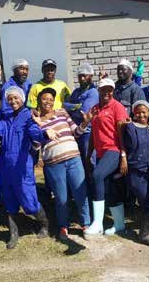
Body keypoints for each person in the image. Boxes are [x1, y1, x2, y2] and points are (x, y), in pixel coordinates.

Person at [0, 87, 57, 248]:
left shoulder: (28, 116)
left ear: (22, 98)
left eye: (16, 98)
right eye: (10, 99)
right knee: (9, 199)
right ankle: (13, 234)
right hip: (5, 166)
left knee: (29, 199)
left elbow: (35, 133)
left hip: (22, 165)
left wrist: (45, 134)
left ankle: (45, 224)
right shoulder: (5, 117)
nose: (13, 101)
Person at [32, 88, 91, 241]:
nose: (48, 102)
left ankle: (86, 224)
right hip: (53, 164)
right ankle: (63, 227)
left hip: (73, 159)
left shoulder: (63, 113)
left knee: (80, 193)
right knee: (61, 198)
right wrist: (39, 126)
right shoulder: (36, 120)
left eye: (51, 99)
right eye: (44, 99)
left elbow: (76, 133)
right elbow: (36, 145)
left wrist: (85, 123)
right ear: (38, 101)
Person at [84, 78, 129, 236]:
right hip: (101, 153)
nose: (107, 93)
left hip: (114, 150)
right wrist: (89, 154)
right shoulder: (95, 109)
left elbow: (122, 133)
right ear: (99, 91)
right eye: (103, 89)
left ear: (113, 91)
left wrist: (123, 155)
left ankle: (97, 223)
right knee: (109, 187)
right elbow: (93, 135)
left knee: (97, 176)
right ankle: (119, 224)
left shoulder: (117, 107)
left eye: (110, 90)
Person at [121, 100, 149, 247]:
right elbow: (125, 141)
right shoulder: (130, 127)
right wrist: (127, 124)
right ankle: (147, 227)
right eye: (138, 112)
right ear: (134, 113)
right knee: (145, 201)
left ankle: (144, 233)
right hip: (136, 170)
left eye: (144, 111)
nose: (141, 114)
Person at [63, 62, 99, 166]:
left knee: (90, 160)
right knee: (80, 162)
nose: (82, 78)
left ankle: (93, 182)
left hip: (88, 132)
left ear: (91, 76)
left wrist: (74, 107)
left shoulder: (93, 92)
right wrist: (76, 106)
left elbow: (84, 112)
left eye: (84, 76)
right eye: (80, 76)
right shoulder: (76, 91)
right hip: (75, 131)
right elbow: (64, 105)